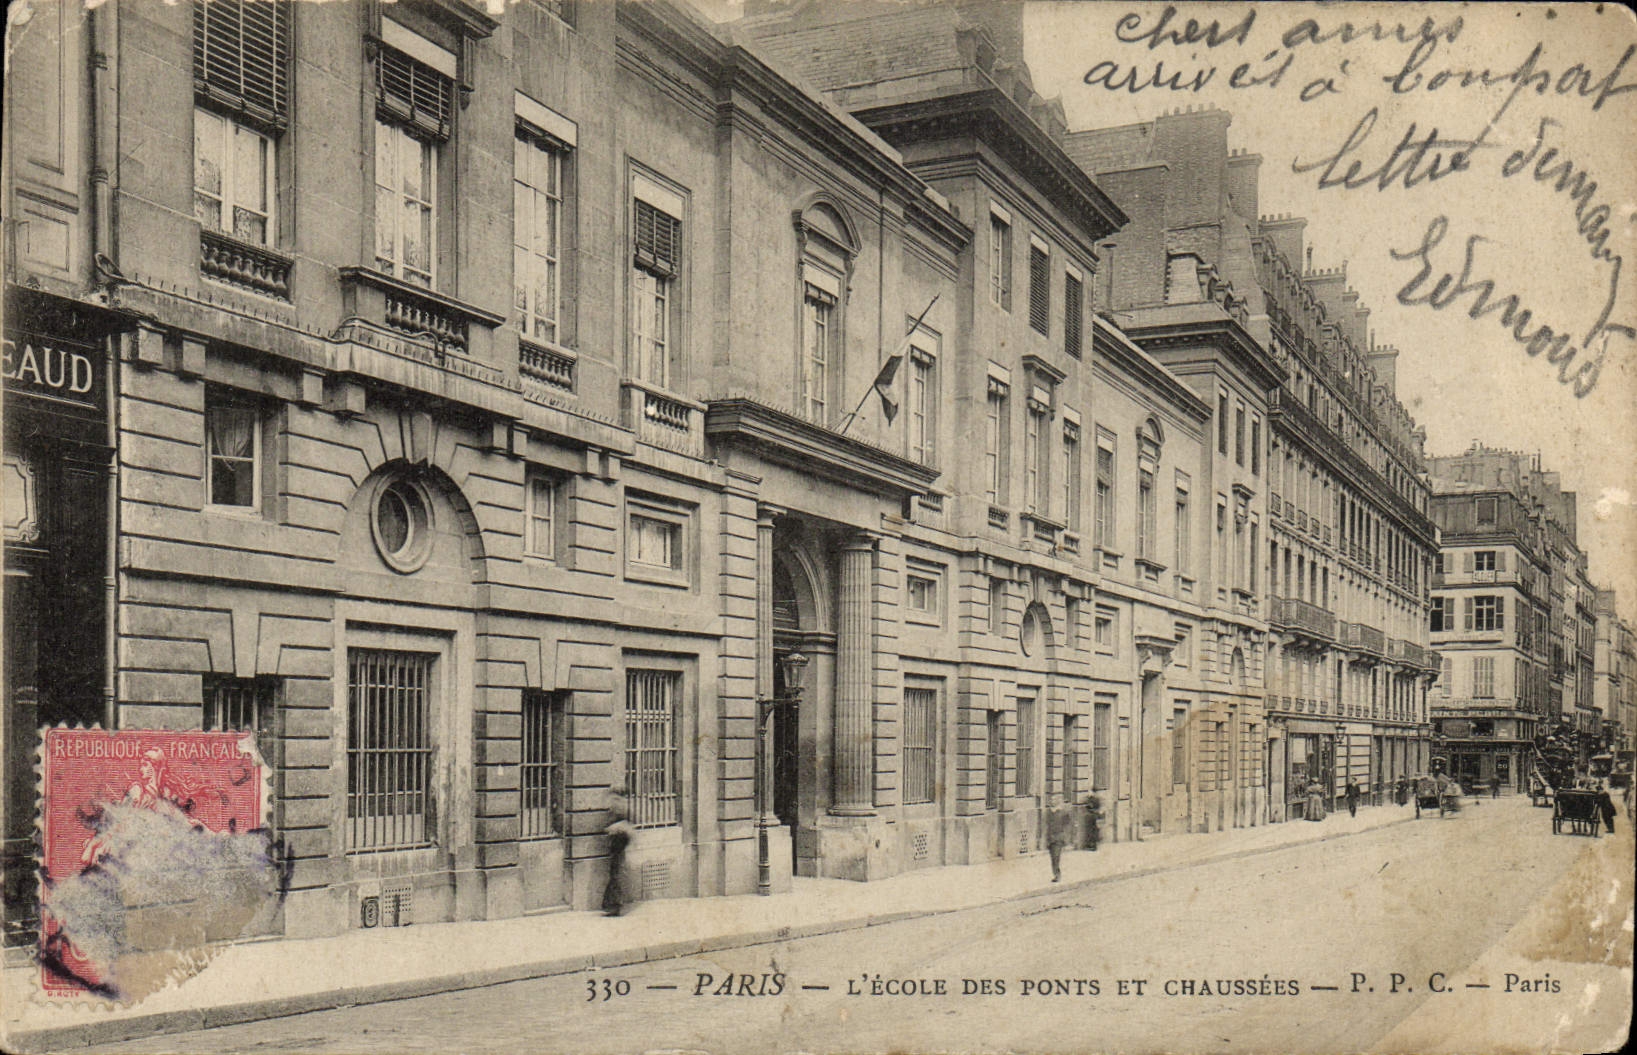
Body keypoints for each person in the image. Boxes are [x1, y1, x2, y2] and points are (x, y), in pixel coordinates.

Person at [602, 786, 634, 917]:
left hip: (618, 840)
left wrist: (611, 828)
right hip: (621, 840)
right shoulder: (623, 803)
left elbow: (615, 823)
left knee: (615, 873)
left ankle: (614, 905)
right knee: (617, 872)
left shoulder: (617, 804)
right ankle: (614, 904)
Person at [1046, 799, 1075, 882]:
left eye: (1054, 800)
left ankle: (1057, 875)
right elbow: (1046, 825)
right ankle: (1055, 874)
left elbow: (1068, 824)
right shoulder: (1049, 813)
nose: (1052, 802)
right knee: (1053, 858)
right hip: (1050, 839)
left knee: (1056, 857)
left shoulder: (1062, 813)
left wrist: (1065, 837)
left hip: (1058, 838)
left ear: (1057, 803)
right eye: (1051, 800)